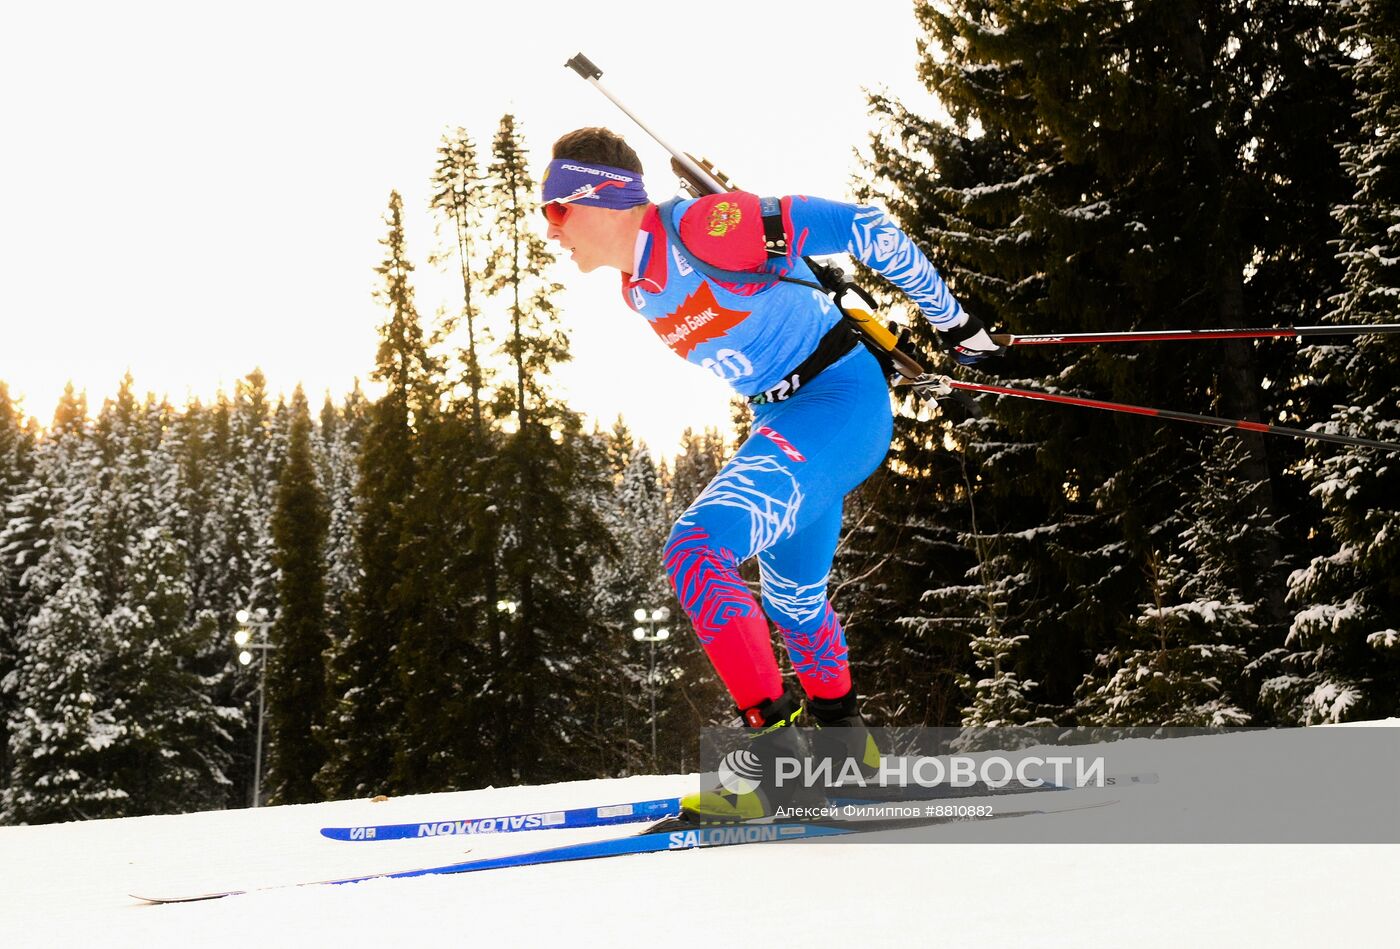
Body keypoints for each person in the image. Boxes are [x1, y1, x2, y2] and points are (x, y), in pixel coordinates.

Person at [541, 127, 1001, 822]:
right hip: (790, 421)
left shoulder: (699, 227)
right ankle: (852, 761)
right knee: (793, 601)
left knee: (697, 550)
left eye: (556, 209)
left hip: (838, 403)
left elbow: (864, 229)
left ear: (602, 198)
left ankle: (774, 769)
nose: (552, 230)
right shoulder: (637, 290)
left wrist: (952, 320)